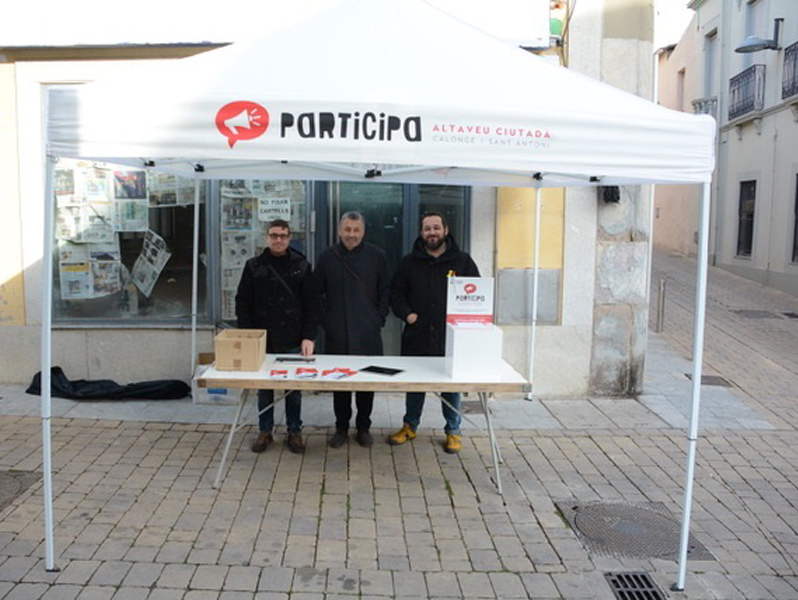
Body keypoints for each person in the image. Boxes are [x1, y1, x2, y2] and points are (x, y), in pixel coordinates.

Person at [388, 212, 480, 454]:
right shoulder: (409, 262)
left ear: (445, 230)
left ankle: (453, 431)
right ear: (421, 233)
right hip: (417, 335)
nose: (432, 233)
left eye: (436, 228)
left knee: (451, 386)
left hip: (449, 337)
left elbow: (477, 294)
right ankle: (410, 426)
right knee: (414, 385)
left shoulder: (463, 261)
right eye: (427, 228)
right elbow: (395, 294)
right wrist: (408, 314)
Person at [235, 219, 320, 454]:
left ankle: (294, 431)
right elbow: (243, 302)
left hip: (294, 338)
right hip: (263, 339)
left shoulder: (301, 266)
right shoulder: (253, 266)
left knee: (293, 389)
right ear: (266, 238)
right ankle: (265, 431)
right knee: (264, 388)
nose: (278, 240)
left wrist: (308, 337)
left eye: (283, 235)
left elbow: (312, 304)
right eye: (274, 235)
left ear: (289, 238)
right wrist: (249, 335)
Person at [315, 211, 390, 448]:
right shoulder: (327, 257)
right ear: (339, 231)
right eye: (347, 230)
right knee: (340, 384)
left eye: (356, 230)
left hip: (368, 332)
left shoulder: (377, 256)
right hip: (337, 332)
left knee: (366, 383)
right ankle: (341, 428)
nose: (351, 235)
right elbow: (317, 292)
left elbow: (386, 291)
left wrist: (379, 318)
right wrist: (327, 321)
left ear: (363, 231)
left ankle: (364, 427)